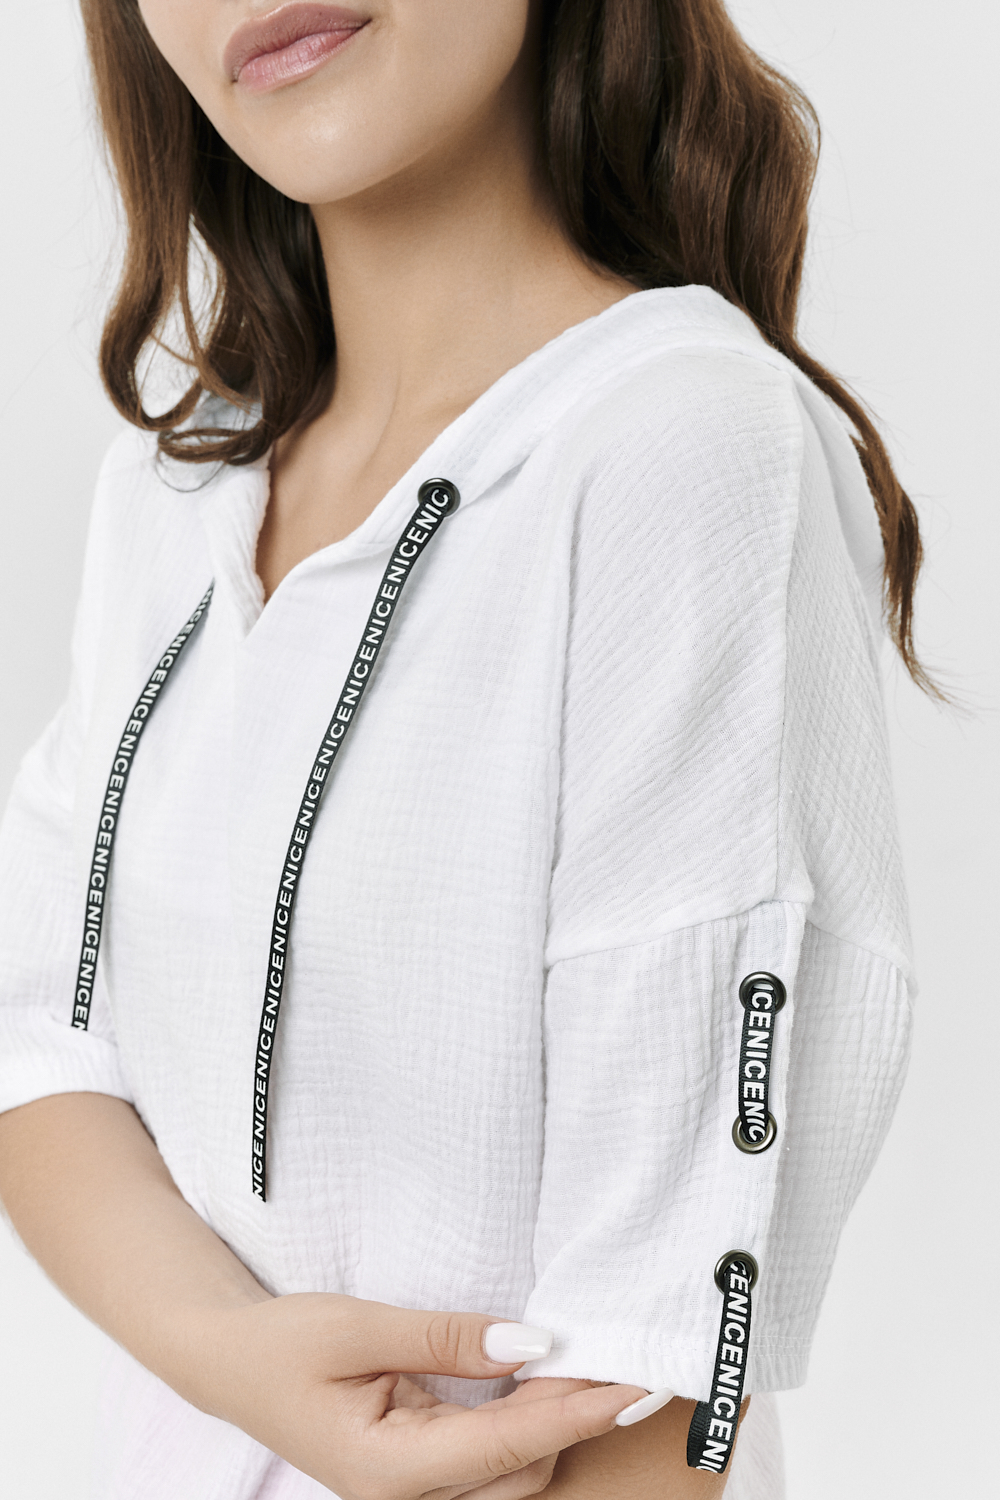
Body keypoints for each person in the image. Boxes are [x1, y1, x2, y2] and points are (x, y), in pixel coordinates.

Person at [0, 1, 922, 1495]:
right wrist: (240, 1362)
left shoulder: (680, 445)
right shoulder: (172, 490)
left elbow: (669, 1355)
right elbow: (39, 1042)